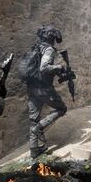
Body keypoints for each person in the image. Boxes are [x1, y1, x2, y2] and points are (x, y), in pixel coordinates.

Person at [27, 24, 68, 159]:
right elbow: (44, 68)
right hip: (43, 88)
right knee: (62, 108)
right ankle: (40, 127)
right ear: (52, 37)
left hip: (32, 87)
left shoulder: (36, 47)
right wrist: (60, 68)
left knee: (33, 119)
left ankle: (34, 149)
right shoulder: (49, 49)